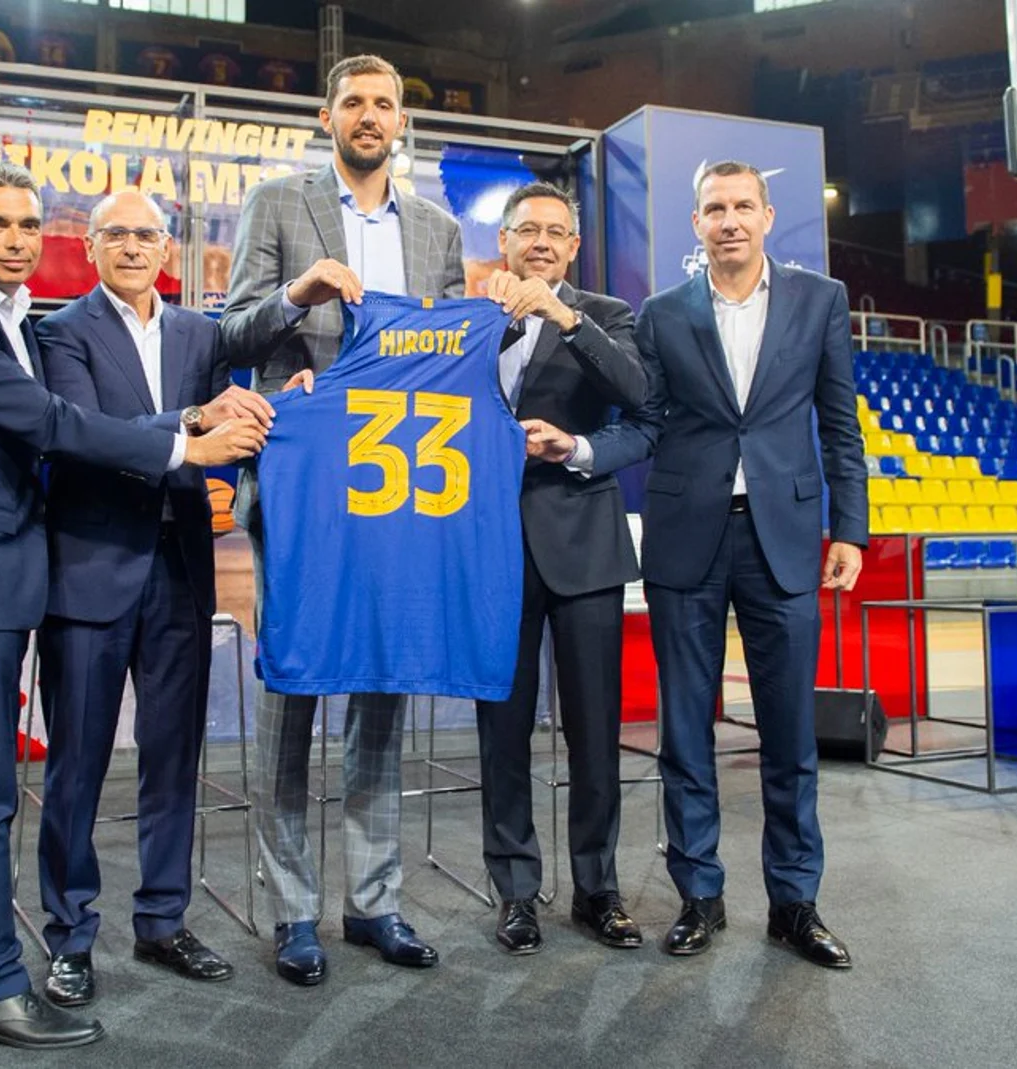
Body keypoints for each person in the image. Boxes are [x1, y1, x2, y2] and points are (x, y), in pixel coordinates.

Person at [0, 161, 263, 1050]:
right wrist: (186, 446)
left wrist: (199, 419)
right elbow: (52, 425)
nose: (13, 239)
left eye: (23, 225)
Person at [218, 53, 466, 986]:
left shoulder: (437, 230)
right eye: (354, 103)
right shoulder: (279, 207)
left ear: (402, 122)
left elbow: (442, 357)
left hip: (398, 493)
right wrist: (298, 298)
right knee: (291, 693)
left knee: (381, 695)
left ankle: (375, 901)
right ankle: (292, 910)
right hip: (304, 486)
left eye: (385, 104)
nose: (370, 117)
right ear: (327, 118)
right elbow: (231, 330)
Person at [597, 159, 868, 969]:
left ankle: (795, 902)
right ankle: (699, 895)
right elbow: (644, 421)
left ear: (767, 213)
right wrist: (577, 451)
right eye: (714, 207)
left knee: (790, 735)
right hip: (688, 538)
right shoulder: (660, 313)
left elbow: (839, 423)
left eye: (742, 205)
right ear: (696, 224)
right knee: (686, 730)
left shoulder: (821, 299)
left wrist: (848, 530)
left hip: (783, 540)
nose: (729, 220)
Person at [31, 191, 279, 1008]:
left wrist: (288, 403)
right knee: (77, 764)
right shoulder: (58, 332)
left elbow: (228, 435)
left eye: (146, 234)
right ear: (90, 247)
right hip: (90, 571)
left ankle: (163, 919)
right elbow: (87, 435)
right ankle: (70, 934)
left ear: (167, 247)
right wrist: (194, 421)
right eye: (117, 234)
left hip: (178, 572)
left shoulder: (201, 334)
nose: (133, 246)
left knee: (174, 760)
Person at [472, 182, 649, 954]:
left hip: (583, 545)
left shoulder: (605, 315)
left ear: (574, 246)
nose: (541, 242)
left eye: (556, 231)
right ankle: (515, 890)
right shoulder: (469, 318)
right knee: (501, 730)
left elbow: (641, 404)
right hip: (487, 548)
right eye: (527, 230)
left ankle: (597, 889)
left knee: (594, 731)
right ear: (504, 242)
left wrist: (562, 317)